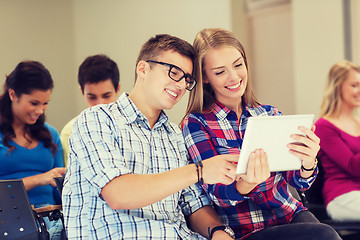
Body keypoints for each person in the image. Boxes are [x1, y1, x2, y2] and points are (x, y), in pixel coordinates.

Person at [62, 33, 240, 239]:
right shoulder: (96, 120)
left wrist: (218, 232)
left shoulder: (174, 134)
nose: (182, 85)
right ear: (143, 69)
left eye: (187, 79)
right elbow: (119, 194)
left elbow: (194, 204)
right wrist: (199, 170)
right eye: (174, 73)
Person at [181, 28, 341, 240]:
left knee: (325, 234)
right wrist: (246, 183)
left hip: (290, 215)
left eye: (238, 65)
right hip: (246, 230)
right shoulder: (196, 124)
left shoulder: (269, 114)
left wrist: (308, 162)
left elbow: (299, 182)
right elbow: (217, 195)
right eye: (220, 72)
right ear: (206, 78)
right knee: (324, 235)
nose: (234, 76)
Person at [0, 61, 66, 239]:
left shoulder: (51, 134)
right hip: (7, 222)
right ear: (13, 94)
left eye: (45, 103)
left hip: (50, 221)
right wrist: (38, 179)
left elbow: (59, 191)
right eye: (34, 103)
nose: (40, 110)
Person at [314, 60, 360, 221]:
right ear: (338, 87)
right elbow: (352, 166)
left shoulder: (358, 123)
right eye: (354, 85)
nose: (359, 90)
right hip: (342, 196)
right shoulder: (323, 126)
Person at [60, 54, 120, 165]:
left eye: (106, 96)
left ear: (118, 89)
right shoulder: (70, 132)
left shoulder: (130, 127)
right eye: (92, 97)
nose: (99, 104)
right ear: (82, 92)